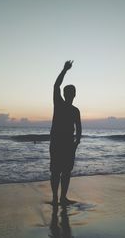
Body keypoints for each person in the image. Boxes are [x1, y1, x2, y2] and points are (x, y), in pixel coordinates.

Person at [49, 60, 82, 206]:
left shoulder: (75, 111)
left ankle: (63, 197)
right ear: (64, 93)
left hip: (69, 144)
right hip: (57, 142)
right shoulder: (59, 103)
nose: (70, 95)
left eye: (72, 93)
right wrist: (64, 70)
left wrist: (76, 143)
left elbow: (79, 128)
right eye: (68, 93)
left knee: (66, 172)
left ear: (74, 95)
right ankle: (55, 198)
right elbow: (56, 85)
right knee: (56, 172)